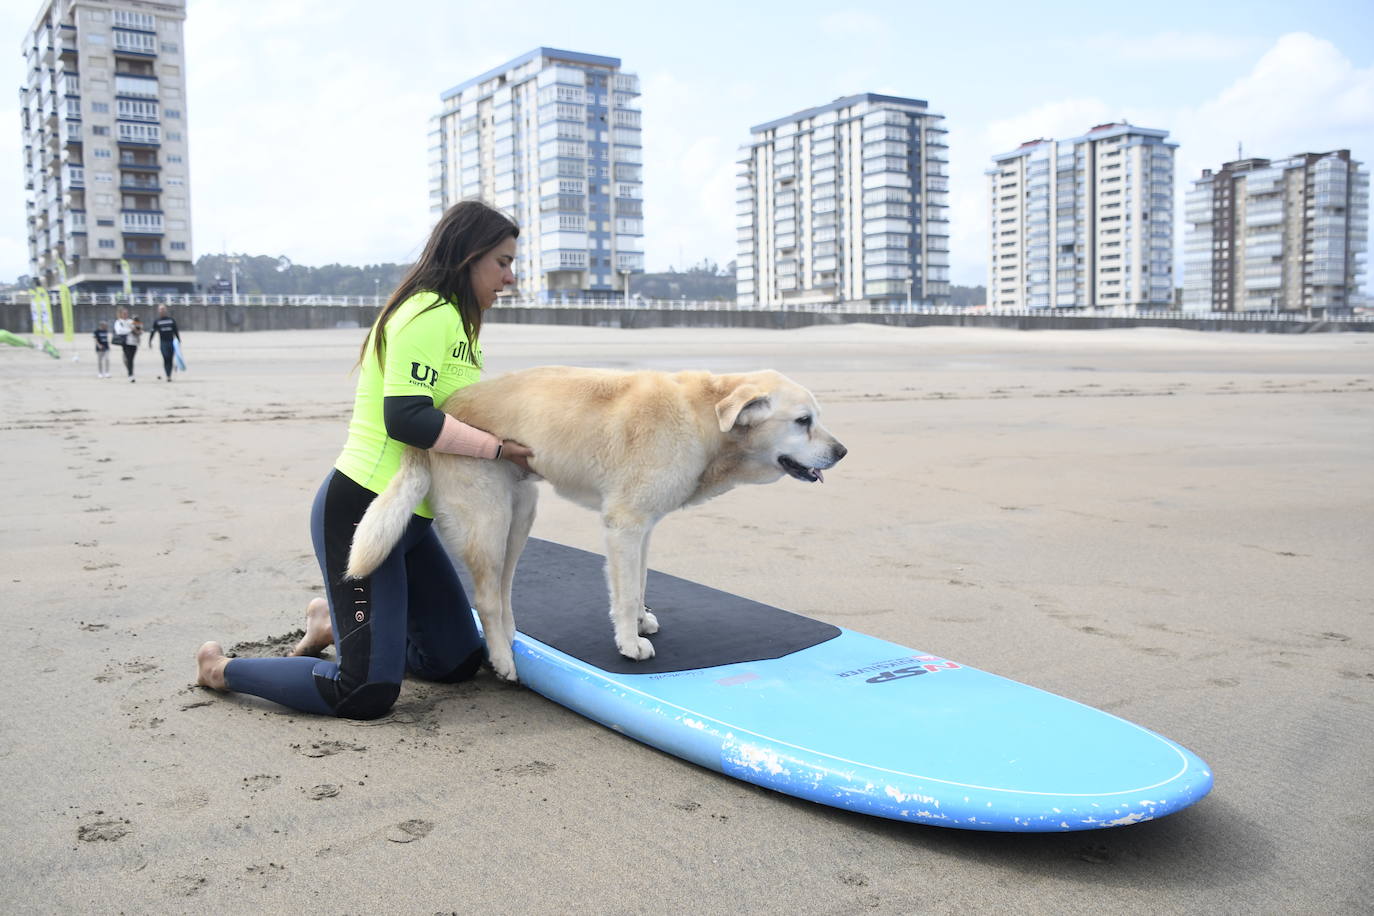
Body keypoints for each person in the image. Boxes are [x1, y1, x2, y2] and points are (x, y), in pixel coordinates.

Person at [194, 200, 534, 720]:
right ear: (468, 257)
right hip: (361, 511)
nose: (510, 277)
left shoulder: (463, 329)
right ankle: (222, 670)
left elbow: (457, 418)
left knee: (458, 659)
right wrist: (494, 448)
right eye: (502, 262)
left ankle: (334, 625)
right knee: (365, 691)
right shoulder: (426, 313)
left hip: (412, 521)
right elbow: (405, 418)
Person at [148, 304, 180, 381]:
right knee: (166, 357)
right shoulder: (157, 321)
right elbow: (153, 332)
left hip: (171, 341)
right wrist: (150, 341)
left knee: (170, 358)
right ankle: (167, 374)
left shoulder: (171, 320)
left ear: (166, 310)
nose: (162, 311)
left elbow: (175, 331)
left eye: (163, 309)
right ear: (158, 311)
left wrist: (178, 340)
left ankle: (169, 376)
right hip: (163, 342)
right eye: (160, 309)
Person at [111, 307, 139, 382]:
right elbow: (119, 331)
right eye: (124, 313)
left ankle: (130, 372)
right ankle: (131, 374)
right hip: (125, 342)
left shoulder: (131, 321)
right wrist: (130, 330)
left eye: (126, 313)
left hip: (134, 342)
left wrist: (137, 321)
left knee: (131, 359)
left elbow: (139, 329)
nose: (126, 314)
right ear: (121, 314)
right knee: (128, 358)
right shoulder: (118, 322)